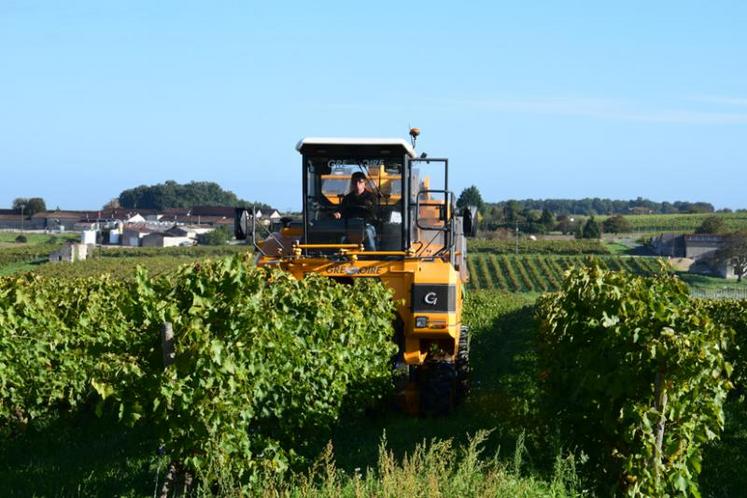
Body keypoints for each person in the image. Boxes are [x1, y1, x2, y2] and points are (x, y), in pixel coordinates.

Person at [333, 171, 377, 250]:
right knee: (339, 234)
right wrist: (338, 214)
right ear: (352, 183)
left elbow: (374, 212)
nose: (357, 184)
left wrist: (368, 209)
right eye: (355, 182)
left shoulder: (371, 197)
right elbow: (340, 210)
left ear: (365, 183)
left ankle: (372, 255)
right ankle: (338, 255)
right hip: (349, 225)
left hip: (366, 224)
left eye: (360, 182)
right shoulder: (347, 198)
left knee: (368, 232)